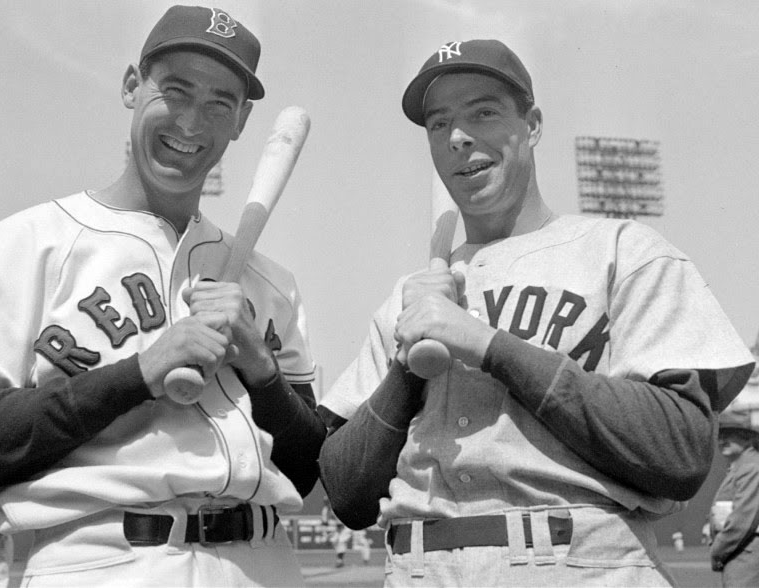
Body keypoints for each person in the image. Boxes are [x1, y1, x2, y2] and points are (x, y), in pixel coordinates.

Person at [317, 38, 755, 586]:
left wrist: (488, 345)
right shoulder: (413, 297)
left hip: (577, 560)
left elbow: (681, 451)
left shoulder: (624, 251)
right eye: (439, 123)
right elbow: (347, 495)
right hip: (418, 568)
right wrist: (407, 366)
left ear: (534, 125)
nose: (458, 137)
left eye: (484, 112)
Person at [0, 5, 324, 587]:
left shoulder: (268, 281)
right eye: (176, 90)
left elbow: (306, 469)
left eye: (219, 102)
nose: (191, 122)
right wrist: (138, 374)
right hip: (102, 558)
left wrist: (261, 370)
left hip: (264, 564)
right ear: (133, 87)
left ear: (241, 121)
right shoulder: (34, 245)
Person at [709, 408, 759, 587]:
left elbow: (742, 521)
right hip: (741, 552)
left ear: (748, 438)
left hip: (747, 552)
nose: (722, 440)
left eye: (730, 434)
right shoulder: (741, 467)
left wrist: (717, 552)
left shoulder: (752, 467)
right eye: (720, 435)